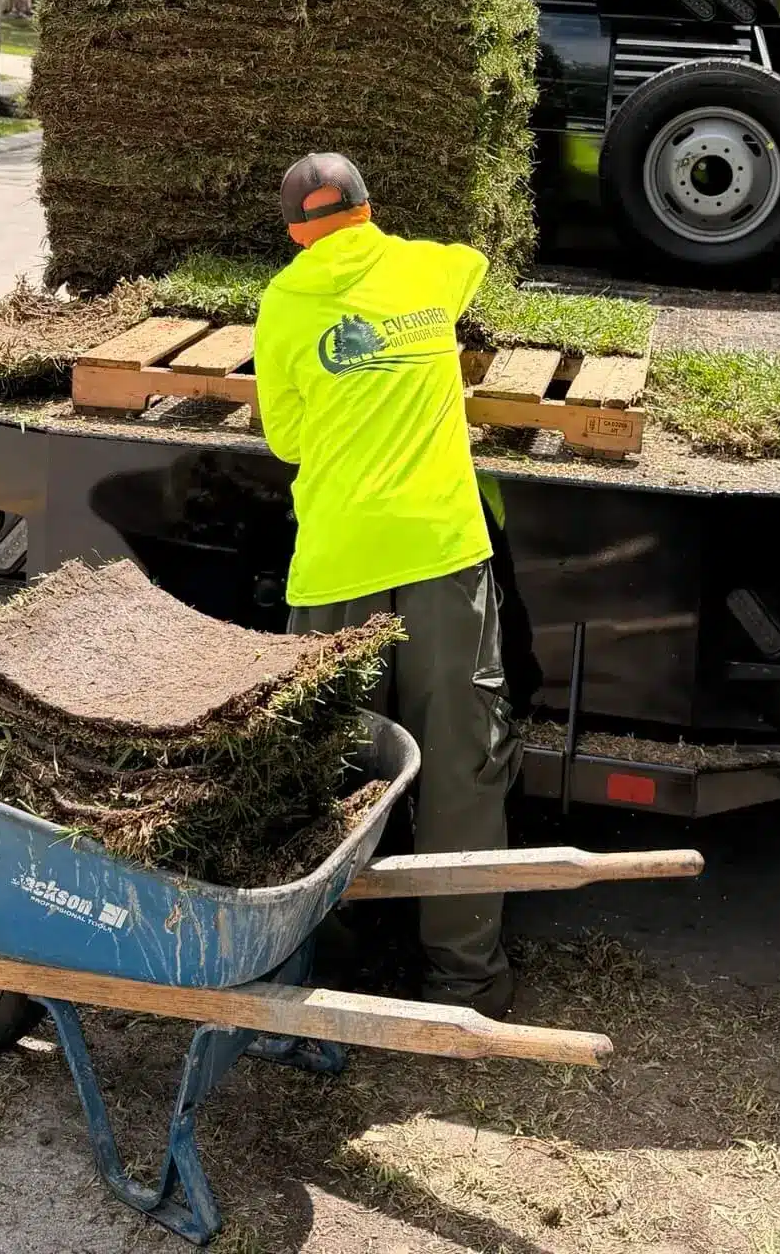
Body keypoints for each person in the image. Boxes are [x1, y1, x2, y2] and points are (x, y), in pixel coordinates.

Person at [252, 151, 518, 1016]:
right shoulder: (433, 270)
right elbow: (480, 264)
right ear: (369, 208)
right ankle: (465, 977)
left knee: (325, 765)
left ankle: (320, 960)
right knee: (459, 769)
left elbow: (288, 443)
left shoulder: (284, 306)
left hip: (336, 567)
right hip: (442, 555)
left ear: (295, 231)